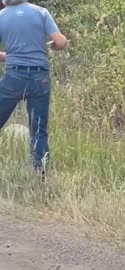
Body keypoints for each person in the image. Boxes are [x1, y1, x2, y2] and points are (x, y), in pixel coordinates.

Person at [0, 0, 68, 180]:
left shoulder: (1, 16)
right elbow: (60, 42)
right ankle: (41, 176)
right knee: (39, 129)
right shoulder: (41, 12)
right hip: (40, 77)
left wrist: (11, 56)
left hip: (13, 77)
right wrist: (53, 45)